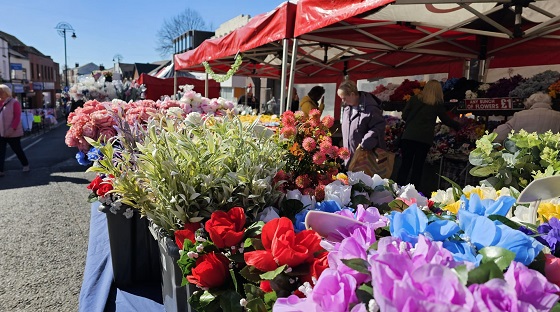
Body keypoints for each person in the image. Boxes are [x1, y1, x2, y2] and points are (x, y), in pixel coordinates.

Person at [396, 80, 460, 188]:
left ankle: (398, 188)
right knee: (418, 167)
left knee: (405, 165)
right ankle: (413, 192)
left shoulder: (414, 99)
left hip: (408, 137)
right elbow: (446, 120)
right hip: (424, 139)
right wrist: (459, 126)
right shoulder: (437, 104)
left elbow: (404, 115)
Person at [337, 80, 386, 168]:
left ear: (352, 94)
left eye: (344, 98)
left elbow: (378, 126)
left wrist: (365, 143)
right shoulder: (347, 108)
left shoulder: (370, 108)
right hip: (350, 158)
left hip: (365, 158)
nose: (343, 101)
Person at [493, 92, 560, 142]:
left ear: (529, 104)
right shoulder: (558, 116)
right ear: (549, 103)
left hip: (524, 158)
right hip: (552, 158)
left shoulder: (519, 116)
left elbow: (497, 135)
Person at [0, 84, 30, 176]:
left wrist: (11, 129)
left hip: (13, 133)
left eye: (1, 92)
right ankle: (1, 170)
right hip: (1, 132)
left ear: (6, 92)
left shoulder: (14, 103)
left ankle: (25, 164)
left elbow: (17, 118)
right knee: (1, 152)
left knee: (17, 150)